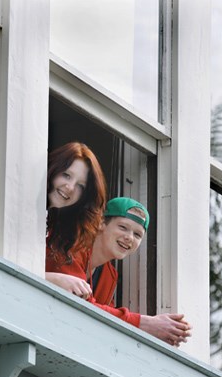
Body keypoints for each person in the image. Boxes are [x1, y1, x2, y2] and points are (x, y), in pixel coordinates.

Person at [46, 197, 192, 347]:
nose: (129, 237)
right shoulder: (68, 245)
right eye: (123, 227)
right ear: (101, 223)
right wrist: (146, 324)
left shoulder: (109, 275)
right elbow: (79, 305)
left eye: (137, 234)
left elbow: (104, 319)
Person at [46, 142, 107, 276]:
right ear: (53, 168)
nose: (70, 187)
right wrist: (52, 279)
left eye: (80, 186)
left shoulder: (63, 234)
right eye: (66, 175)